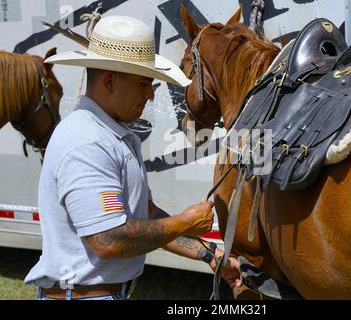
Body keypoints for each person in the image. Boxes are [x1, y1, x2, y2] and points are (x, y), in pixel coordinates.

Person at [24, 15, 241, 300]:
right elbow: (108, 239)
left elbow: (145, 216)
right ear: (111, 80)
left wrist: (209, 253)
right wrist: (185, 221)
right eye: (144, 83)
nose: (150, 94)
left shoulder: (114, 135)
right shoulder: (86, 142)